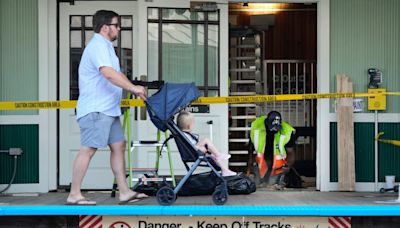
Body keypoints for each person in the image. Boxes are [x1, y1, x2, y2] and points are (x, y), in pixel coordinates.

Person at [66, 10, 148, 205]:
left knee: (118, 146)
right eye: (116, 25)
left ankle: (125, 191)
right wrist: (134, 89)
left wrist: (132, 87)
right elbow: (109, 74)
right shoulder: (97, 46)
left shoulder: (107, 47)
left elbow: (117, 74)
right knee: (88, 149)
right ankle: (74, 194)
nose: (119, 29)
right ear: (105, 27)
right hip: (96, 109)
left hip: (108, 110)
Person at [177, 111, 237, 177]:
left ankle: (225, 170)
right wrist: (200, 148)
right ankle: (219, 155)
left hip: (193, 151)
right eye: (193, 123)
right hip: (193, 152)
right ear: (189, 126)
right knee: (206, 140)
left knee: (214, 156)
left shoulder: (182, 134)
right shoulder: (185, 135)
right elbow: (191, 146)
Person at [249, 111, 296, 189]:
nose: (274, 130)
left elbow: (290, 152)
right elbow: (251, 145)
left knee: (271, 185)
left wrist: (288, 166)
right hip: (261, 159)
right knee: (256, 184)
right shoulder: (256, 126)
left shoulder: (287, 131)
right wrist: (250, 161)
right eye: (272, 128)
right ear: (266, 123)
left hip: (277, 164)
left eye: (276, 128)